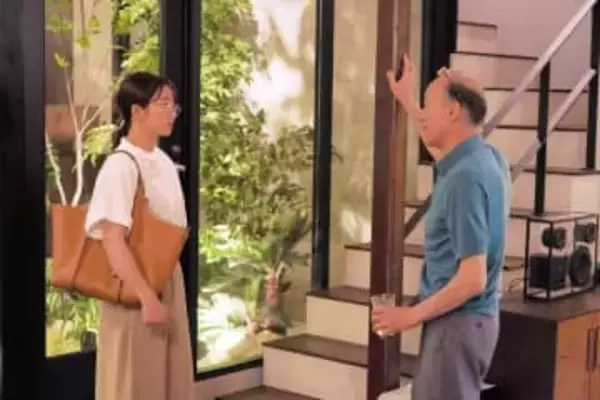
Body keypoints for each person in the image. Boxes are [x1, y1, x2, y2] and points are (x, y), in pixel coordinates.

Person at [372, 55, 511, 400]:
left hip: (456, 325)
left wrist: (409, 317)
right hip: (473, 324)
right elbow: (438, 143)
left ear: (452, 112)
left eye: (428, 105)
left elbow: (472, 278)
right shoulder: (488, 159)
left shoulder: (465, 178)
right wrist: (407, 100)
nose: (423, 115)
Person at [84, 71, 194, 400]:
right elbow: (112, 239)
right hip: (133, 286)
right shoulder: (121, 166)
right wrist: (146, 297)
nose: (172, 112)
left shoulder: (163, 162)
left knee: (170, 380)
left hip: (168, 279)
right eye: (163, 104)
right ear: (137, 111)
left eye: (174, 105)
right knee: (133, 382)